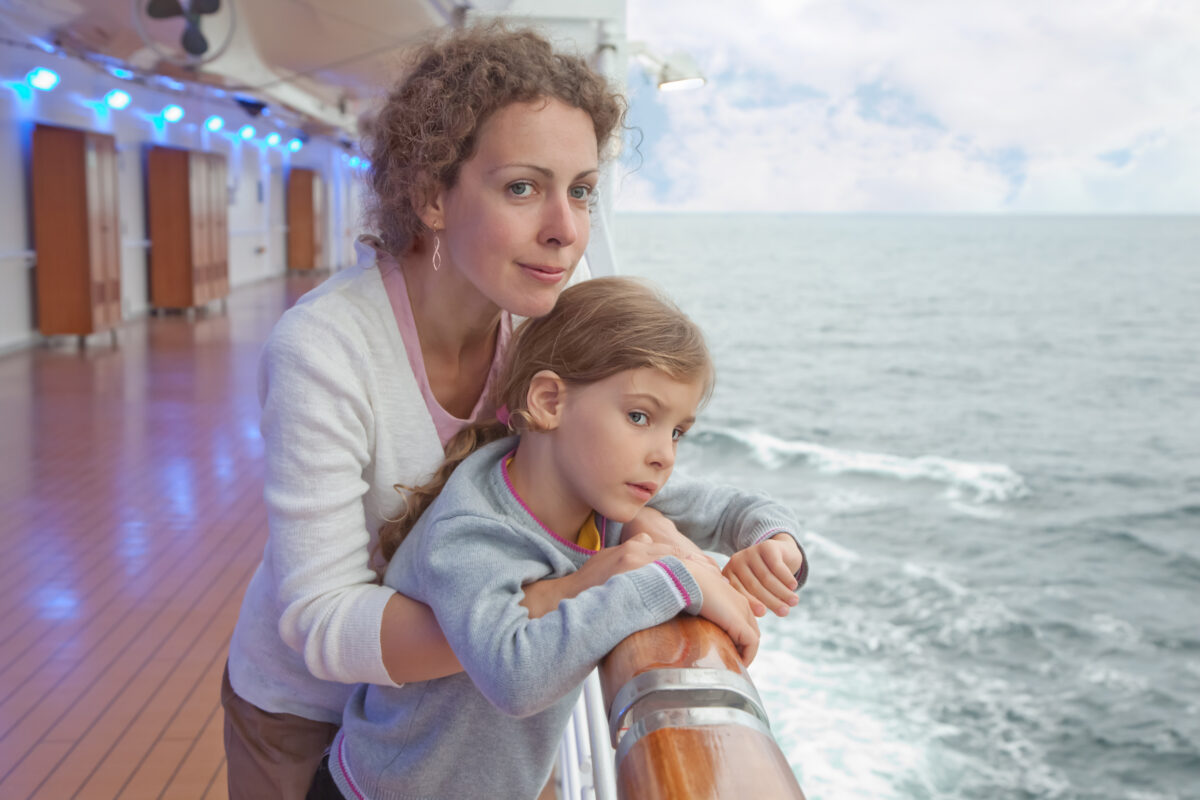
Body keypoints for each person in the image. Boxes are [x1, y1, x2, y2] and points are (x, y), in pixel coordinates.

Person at [222, 25, 700, 799]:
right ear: (430, 196)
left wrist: (684, 541)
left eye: (580, 189)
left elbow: (605, 472)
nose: (566, 228)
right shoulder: (326, 347)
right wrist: (568, 595)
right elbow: (319, 620)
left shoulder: (539, 335)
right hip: (305, 714)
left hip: (444, 715)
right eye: (522, 187)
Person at [309, 277, 808, 800]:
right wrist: (675, 582)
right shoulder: (473, 532)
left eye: (677, 431)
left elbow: (737, 507)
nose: (664, 454)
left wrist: (775, 545)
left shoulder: (602, 487)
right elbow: (515, 676)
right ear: (549, 401)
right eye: (640, 416)